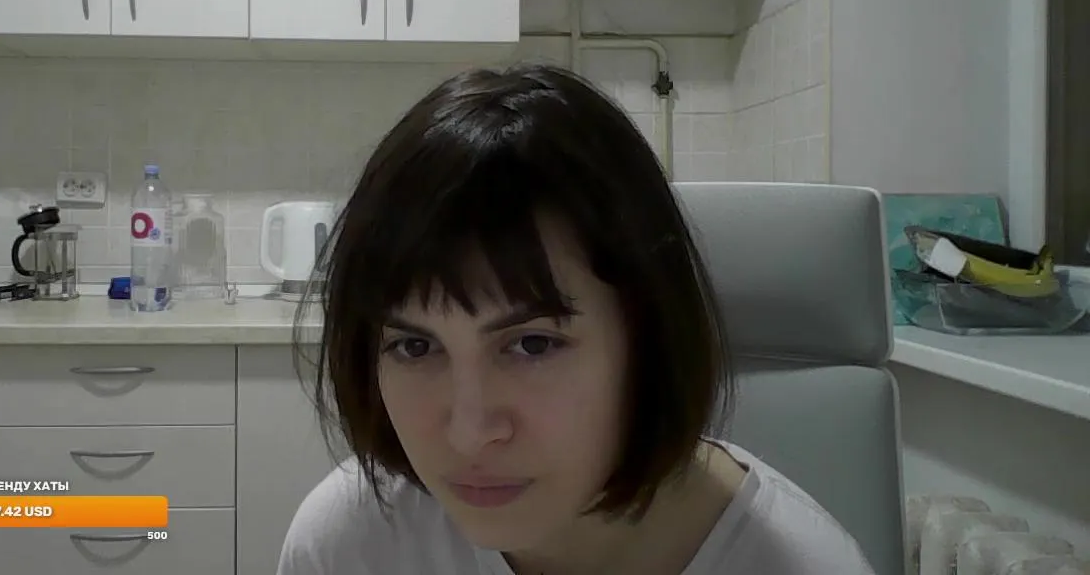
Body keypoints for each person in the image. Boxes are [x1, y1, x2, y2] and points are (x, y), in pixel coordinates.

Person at [278, 63, 876, 575]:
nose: (468, 433)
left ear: (647, 340)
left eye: (532, 345)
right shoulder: (351, 546)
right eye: (414, 347)